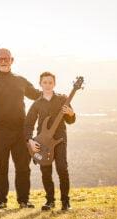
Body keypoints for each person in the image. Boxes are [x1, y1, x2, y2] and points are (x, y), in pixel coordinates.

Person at [0, 48, 41, 209]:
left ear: (12, 60)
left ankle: (24, 200)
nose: (3, 61)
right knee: (0, 167)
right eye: (0, 59)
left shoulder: (20, 80)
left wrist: (57, 96)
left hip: (20, 131)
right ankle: (1, 201)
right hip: (0, 132)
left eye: (6, 58)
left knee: (23, 167)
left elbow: (37, 95)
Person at [24, 71, 76, 211]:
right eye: (45, 82)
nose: (47, 85)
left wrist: (71, 114)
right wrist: (30, 141)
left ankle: (65, 202)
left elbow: (70, 120)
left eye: (50, 82)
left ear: (54, 84)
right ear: (40, 84)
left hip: (59, 140)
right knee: (45, 171)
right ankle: (50, 201)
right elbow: (28, 124)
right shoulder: (36, 104)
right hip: (42, 142)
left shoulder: (62, 99)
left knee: (62, 169)